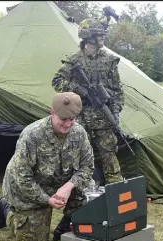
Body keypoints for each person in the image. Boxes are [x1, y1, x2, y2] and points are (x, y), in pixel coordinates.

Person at [0, 92, 94, 241]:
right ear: (52, 112)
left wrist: (68, 187)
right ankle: (6, 208)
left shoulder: (79, 133)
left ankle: (66, 224)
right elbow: (22, 178)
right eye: (63, 119)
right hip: (30, 190)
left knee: (90, 194)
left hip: (62, 184)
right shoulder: (32, 135)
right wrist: (47, 200)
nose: (68, 124)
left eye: (72, 119)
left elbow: (87, 166)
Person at [52, 14, 124, 186]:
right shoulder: (74, 61)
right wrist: (79, 90)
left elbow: (117, 92)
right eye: (99, 34)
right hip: (79, 118)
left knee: (110, 160)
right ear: (88, 37)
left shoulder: (109, 60)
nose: (102, 37)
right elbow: (57, 81)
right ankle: (80, 192)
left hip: (103, 119)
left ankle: (116, 195)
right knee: (77, 158)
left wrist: (114, 114)